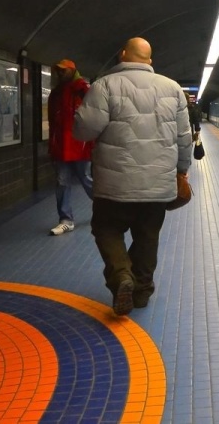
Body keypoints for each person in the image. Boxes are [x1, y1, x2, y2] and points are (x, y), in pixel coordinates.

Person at [74, 37, 193, 316]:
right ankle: (140, 292)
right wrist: (182, 169)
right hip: (158, 185)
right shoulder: (173, 89)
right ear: (150, 61)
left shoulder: (104, 85)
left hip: (114, 185)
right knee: (147, 236)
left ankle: (121, 277)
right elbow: (184, 138)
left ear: (123, 55)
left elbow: (83, 131)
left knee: (107, 229)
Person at [48, 59, 94, 235]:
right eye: (57, 71)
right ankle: (65, 219)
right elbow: (53, 121)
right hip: (61, 145)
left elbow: (92, 117)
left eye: (63, 70)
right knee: (62, 182)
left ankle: (104, 209)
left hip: (80, 144)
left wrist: (92, 142)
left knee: (86, 179)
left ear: (71, 70)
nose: (59, 74)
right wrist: (52, 144)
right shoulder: (56, 93)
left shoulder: (83, 90)